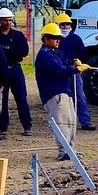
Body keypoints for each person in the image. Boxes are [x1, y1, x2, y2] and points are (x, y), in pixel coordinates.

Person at [35, 22, 82, 159]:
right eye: (55, 38)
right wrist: (76, 69)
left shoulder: (54, 52)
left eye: (59, 38)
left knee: (71, 121)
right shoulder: (44, 55)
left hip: (64, 91)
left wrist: (74, 62)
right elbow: (59, 70)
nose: (58, 41)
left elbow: (64, 62)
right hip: (54, 94)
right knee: (61, 123)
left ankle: (70, 150)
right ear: (46, 39)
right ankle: (64, 152)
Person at [0, 8, 33, 136]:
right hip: (1, 71)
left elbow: (24, 51)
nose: (8, 23)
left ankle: (27, 126)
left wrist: (8, 51)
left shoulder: (18, 35)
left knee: (21, 98)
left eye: (10, 20)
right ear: (0, 21)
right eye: (5, 20)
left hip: (15, 68)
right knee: (2, 100)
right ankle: (3, 128)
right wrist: (11, 51)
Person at [56, 13, 96, 131]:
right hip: (61, 72)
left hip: (74, 72)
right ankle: (62, 122)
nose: (65, 27)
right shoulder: (55, 39)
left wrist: (79, 62)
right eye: (62, 25)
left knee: (80, 97)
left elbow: (83, 53)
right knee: (61, 98)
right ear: (58, 25)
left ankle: (85, 122)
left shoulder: (75, 38)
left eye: (67, 24)